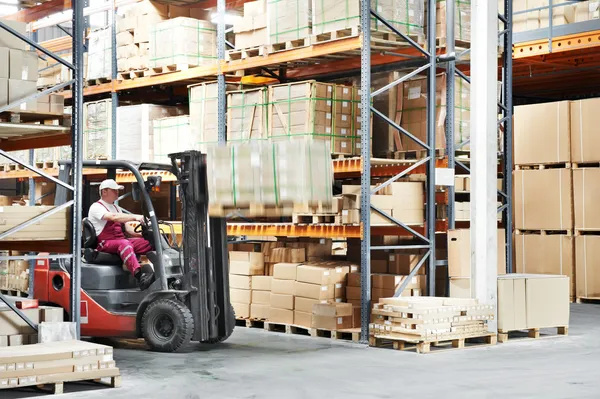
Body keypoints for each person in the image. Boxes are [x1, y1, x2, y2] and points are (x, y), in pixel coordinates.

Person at [88, 179, 155, 290]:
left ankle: (160, 272)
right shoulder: (96, 207)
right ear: (104, 192)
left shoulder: (116, 207)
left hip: (120, 240)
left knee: (149, 242)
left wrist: (143, 234)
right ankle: (140, 277)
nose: (117, 193)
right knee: (125, 244)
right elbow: (113, 217)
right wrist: (135, 216)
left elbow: (126, 228)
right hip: (104, 243)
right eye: (114, 190)